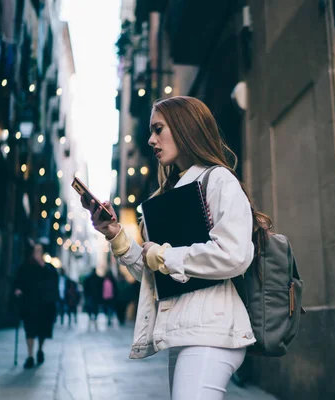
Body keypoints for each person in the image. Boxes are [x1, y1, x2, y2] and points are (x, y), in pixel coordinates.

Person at [82, 96, 268, 399]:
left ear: (184, 127)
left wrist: (166, 255)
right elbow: (158, 273)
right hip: (184, 332)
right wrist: (115, 234)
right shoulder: (170, 193)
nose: (151, 140)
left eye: (158, 129)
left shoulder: (218, 179)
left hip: (211, 333)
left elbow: (235, 255)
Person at [14, 241, 59, 369]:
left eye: (39, 251)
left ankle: (39, 350)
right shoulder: (26, 267)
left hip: (45, 306)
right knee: (30, 330)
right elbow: (19, 281)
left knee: (42, 331)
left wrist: (42, 265)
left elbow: (53, 283)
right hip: (30, 304)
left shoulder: (49, 268)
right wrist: (18, 289)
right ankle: (30, 356)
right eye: (35, 251)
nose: (37, 253)